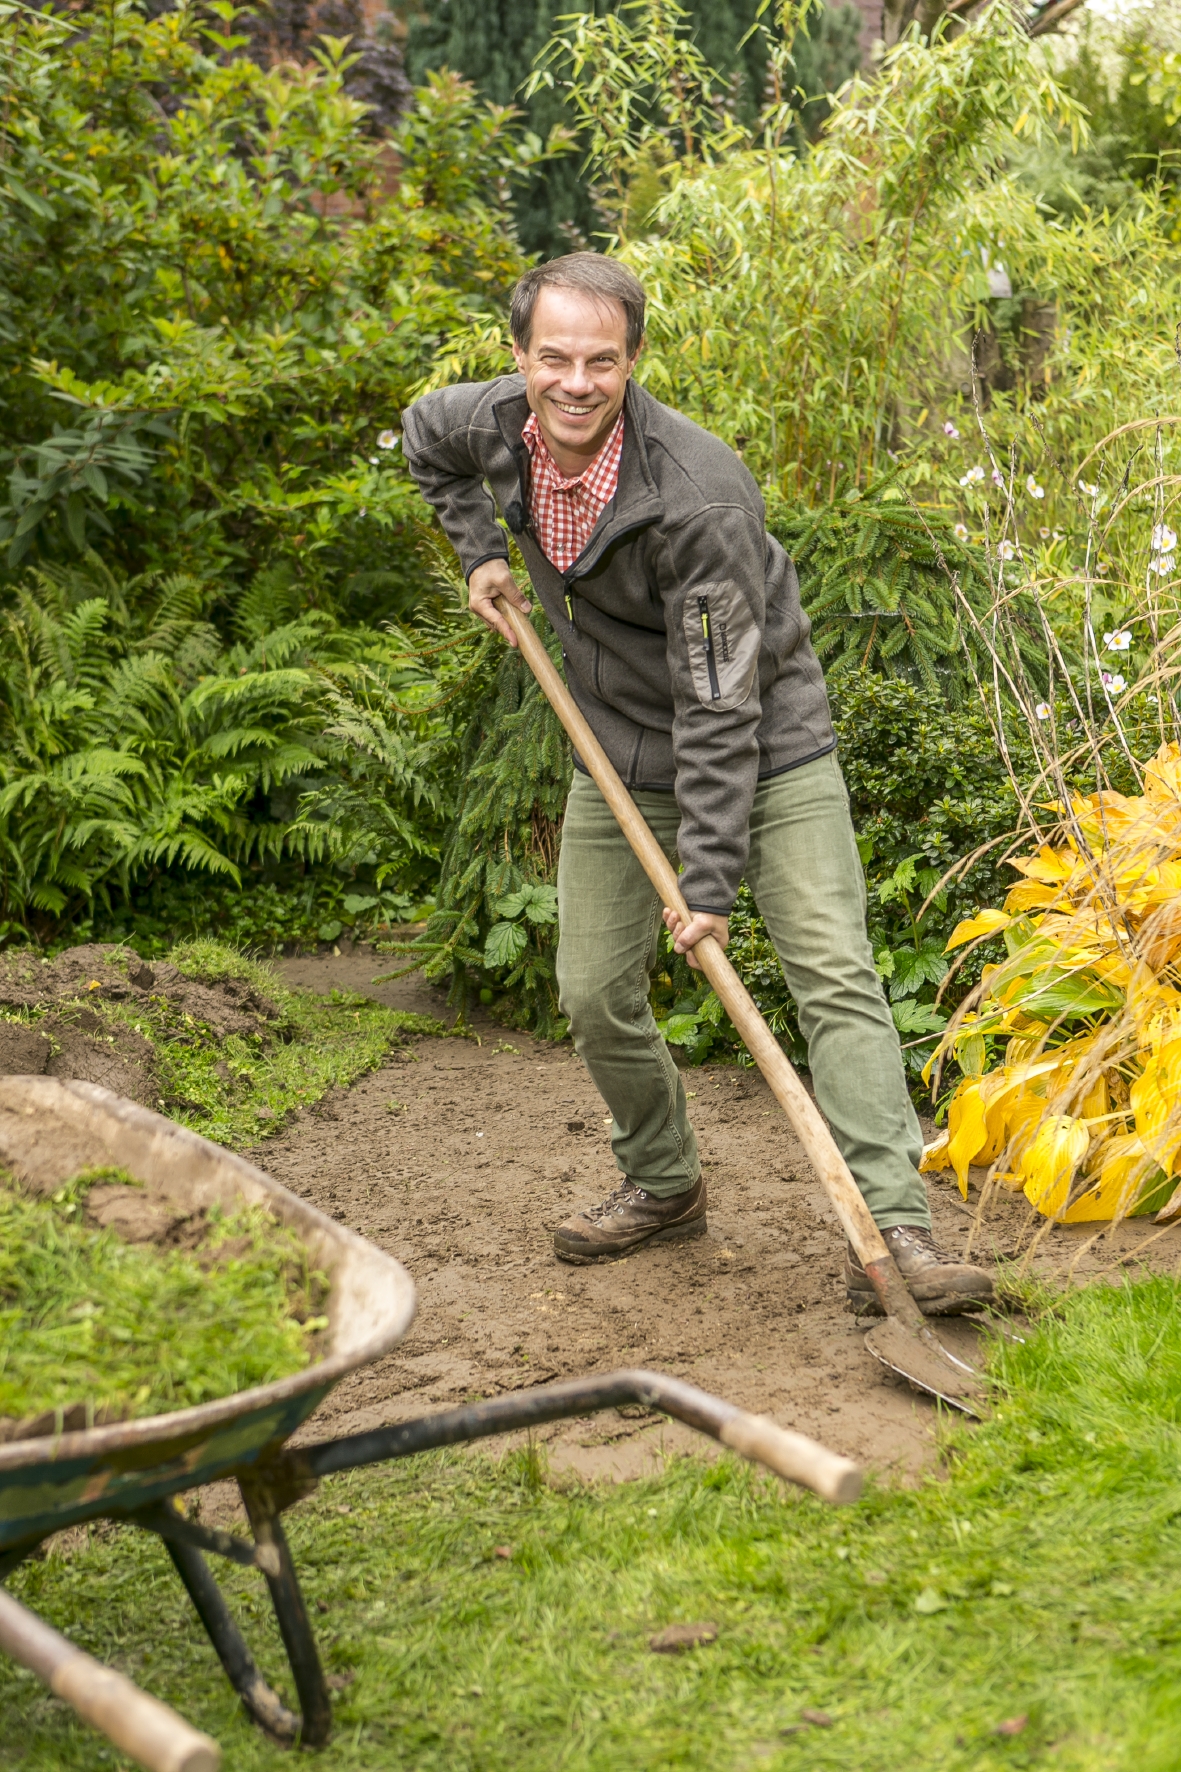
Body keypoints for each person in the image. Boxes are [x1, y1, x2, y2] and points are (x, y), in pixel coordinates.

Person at [403, 252, 994, 1316]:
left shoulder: (697, 496)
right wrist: (476, 551)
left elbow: (722, 707)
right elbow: (419, 438)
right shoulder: (488, 422)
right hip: (619, 745)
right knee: (590, 990)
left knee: (832, 974)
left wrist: (709, 885)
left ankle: (895, 1228)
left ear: (631, 360)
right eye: (553, 357)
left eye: (600, 360)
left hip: (766, 752)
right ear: (518, 355)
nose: (574, 381)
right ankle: (667, 1179)